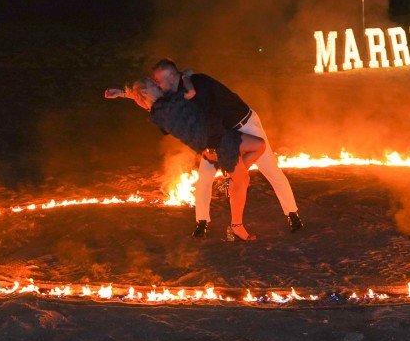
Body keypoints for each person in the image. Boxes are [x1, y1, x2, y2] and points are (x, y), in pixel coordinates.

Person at [150, 59, 303, 237]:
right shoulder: (180, 90)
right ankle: (202, 222)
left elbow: (214, 114)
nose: (157, 84)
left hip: (245, 125)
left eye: (158, 80)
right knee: (205, 177)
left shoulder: (200, 83)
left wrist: (213, 148)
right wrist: (127, 94)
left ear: (170, 76)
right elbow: (167, 119)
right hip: (222, 134)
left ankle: (293, 214)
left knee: (271, 170)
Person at [105, 79, 263, 241]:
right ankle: (237, 226)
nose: (156, 84)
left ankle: (230, 183)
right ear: (148, 93)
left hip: (216, 135)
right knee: (242, 179)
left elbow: (144, 97)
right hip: (214, 141)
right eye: (152, 85)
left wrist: (122, 94)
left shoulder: (160, 102)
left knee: (259, 146)